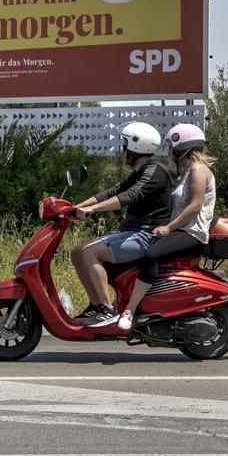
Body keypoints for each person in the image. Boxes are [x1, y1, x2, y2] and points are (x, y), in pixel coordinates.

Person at [69, 121, 173, 327]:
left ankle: (107, 310)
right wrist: (74, 208)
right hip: (133, 233)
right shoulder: (140, 172)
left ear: (136, 147)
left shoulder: (155, 171)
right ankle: (96, 305)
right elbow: (112, 191)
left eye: (125, 145)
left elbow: (129, 196)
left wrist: (92, 210)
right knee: (77, 251)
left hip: (146, 236)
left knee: (90, 253)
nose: (122, 149)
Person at [115, 124, 217, 331]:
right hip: (182, 229)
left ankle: (130, 310)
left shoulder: (198, 169)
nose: (170, 150)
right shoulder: (187, 171)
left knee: (150, 254)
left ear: (182, 146)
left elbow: (195, 205)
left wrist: (168, 228)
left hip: (191, 232)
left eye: (172, 145)